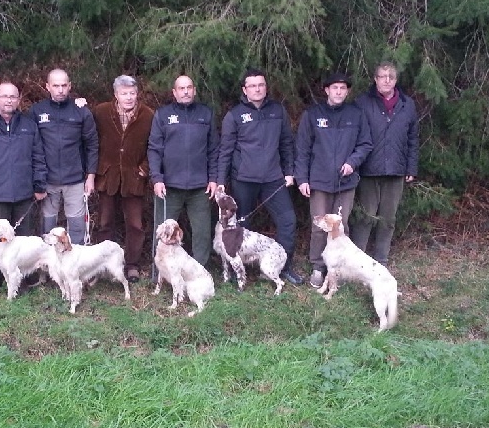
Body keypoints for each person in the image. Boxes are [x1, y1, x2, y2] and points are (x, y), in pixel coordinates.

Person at [217, 68, 303, 285]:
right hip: (243, 180)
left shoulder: (277, 111)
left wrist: (290, 172)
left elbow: (286, 143)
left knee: (287, 221)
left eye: (261, 85)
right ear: (245, 90)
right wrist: (220, 182)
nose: (257, 89)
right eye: (252, 86)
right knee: (239, 227)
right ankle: (241, 270)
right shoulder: (234, 115)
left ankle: (282, 267)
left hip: (274, 179)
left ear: (265, 87)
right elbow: (225, 151)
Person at [0, 82, 48, 296]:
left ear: (18, 100)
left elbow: (38, 157)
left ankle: (19, 280)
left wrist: (40, 184)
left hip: (24, 194)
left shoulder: (29, 125)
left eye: (13, 96)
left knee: (21, 241)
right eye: (4, 96)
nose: (9, 100)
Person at [295, 72, 373, 288]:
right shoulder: (312, 115)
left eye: (343, 88)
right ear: (326, 90)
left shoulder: (356, 114)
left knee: (341, 225)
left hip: (346, 183)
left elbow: (365, 144)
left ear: (347, 91)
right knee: (320, 226)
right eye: (334, 88)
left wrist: (352, 162)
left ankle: (340, 268)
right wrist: (302, 179)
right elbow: (302, 149)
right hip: (319, 182)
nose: (339, 92)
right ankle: (318, 267)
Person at [350, 62, 419, 266]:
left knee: (388, 219)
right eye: (382, 76)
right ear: (375, 79)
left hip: (396, 171)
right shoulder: (362, 102)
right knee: (365, 218)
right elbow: (353, 136)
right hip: (369, 170)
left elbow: (413, 138)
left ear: (396, 80)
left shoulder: (408, 105)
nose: (386, 80)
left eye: (391, 77)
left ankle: (381, 260)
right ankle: (358, 261)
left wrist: (411, 167)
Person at [148, 75, 219, 267]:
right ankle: (161, 271)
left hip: (200, 187)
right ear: (174, 92)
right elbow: (154, 149)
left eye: (189, 88)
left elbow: (214, 149)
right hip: (169, 186)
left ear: (194, 90)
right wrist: (157, 179)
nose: (186, 91)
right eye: (181, 88)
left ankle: (199, 271)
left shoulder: (206, 114)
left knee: (202, 232)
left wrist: (213, 178)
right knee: (163, 231)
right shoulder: (163, 115)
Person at [93, 75, 153, 283]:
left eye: (132, 93)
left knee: (135, 225)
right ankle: (103, 264)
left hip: (134, 177)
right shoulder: (100, 112)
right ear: (116, 95)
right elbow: (90, 139)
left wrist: (145, 169)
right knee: (104, 223)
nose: (128, 97)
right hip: (107, 176)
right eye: (124, 93)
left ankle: (132, 265)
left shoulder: (148, 115)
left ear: (137, 94)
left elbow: (153, 145)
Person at [29, 69, 98, 244]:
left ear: (69, 86)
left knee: (76, 225)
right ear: (47, 87)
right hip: (47, 180)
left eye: (64, 85)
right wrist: (37, 180)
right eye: (56, 85)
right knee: (48, 225)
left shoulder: (81, 111)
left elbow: (91, 145)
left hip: (75, 179)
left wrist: (90, 177)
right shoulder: (37, 111)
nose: (60, 90)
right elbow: (30, 147)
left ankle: (75, 267)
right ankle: (48, 267)